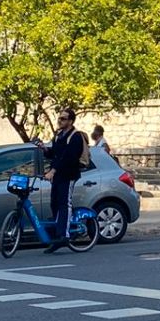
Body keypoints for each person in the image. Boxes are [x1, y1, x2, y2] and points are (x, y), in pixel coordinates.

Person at [43, 108, 91, 253]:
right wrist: (44, 149)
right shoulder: (58, 135)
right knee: (54, 203)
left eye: (63, 119)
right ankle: (57, 235)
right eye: (59, 118)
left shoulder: (75, 137)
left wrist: (53, 170)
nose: (60, 121)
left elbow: (68, 158)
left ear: (70, 121)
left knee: (65, 203)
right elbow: (55, 154)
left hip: (69, 175)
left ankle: (64, 235)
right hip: (58, 176)